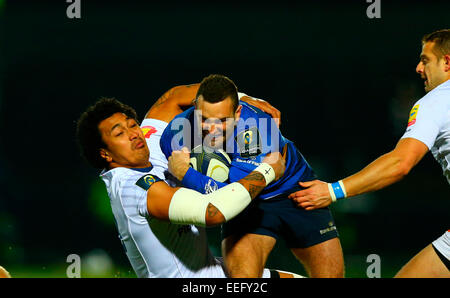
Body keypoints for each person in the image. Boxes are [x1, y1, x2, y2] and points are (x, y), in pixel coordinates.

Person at [76, 95, 298, 278]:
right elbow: (212, 212)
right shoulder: (131, 188)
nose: (133, 133)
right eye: (119, 133)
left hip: (213, 272)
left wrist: (237, 98)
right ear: (104, 153)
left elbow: (171, 99)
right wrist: (267, 171)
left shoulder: (148, 147)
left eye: (132, 124)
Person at [289, 29, 450, 278]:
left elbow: (400, 162)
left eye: (426, 60)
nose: (419, 68)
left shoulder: (436, 101)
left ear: (447, 61)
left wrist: (332, 191)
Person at [160, 74, 344, 278]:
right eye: (204, 119)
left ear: (237, 113)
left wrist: (185, 173)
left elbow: (235, 194)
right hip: (247, 210)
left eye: (222, 121)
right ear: (195, 108)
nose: (212, 129)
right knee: (243, 280)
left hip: (295, 192)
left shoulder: (257, 129)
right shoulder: (177, 131)